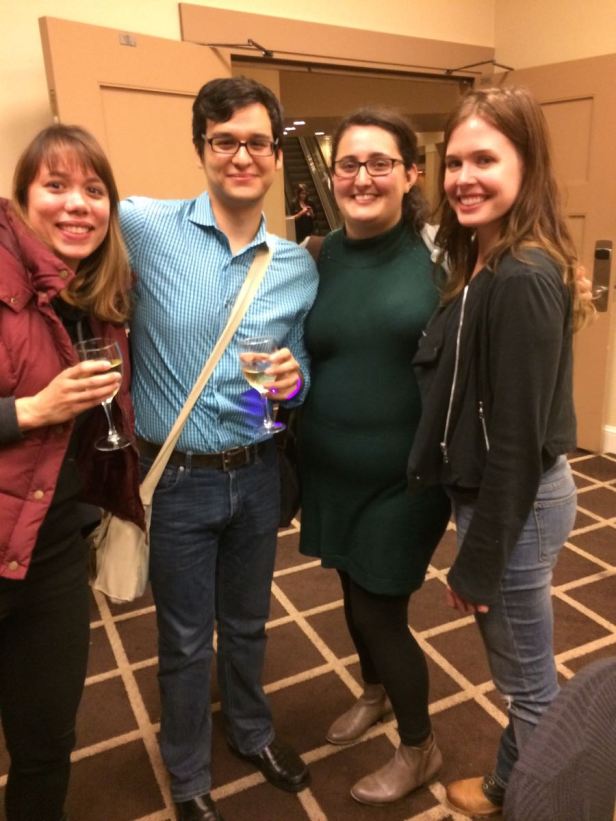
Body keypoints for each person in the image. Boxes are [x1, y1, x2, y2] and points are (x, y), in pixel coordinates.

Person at [119, 76, 318, 821]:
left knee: (246, 623)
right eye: (225, 141)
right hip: (178, 480)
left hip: (257, 472)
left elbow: (297, 383)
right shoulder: (145, 225)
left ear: (274, 153)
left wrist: (295, 383)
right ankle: (189, 775)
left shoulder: (296, 266)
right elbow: (54, 223)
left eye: (256, 142)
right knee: (180, 637)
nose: (242, 155)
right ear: (202, 147)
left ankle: (253, 731)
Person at [407, 86, 593, 817]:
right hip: (502, 497)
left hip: (512, 504)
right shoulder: (483, 257)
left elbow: (515, 442)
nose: (463, 177)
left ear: (527, 165)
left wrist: (480, 554)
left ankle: (554, 805)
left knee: (529, 687)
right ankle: (507, 787)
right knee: (525, 675)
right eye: (453, 161)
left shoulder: (521, 277)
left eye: (485, 158)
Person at [298, 108, 451, 806]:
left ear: (411, 172)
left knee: (380, 606)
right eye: (349, 164)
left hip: (406, 478)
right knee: (353, 597)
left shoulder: (442, 260)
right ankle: (376, 691)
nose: (362, 177)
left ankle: (419, 746)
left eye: (380, 162)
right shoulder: (320, 255)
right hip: (328, 469)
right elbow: (312, 361)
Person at [0, 125, 144, 821]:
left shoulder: (100, 292)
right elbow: (40, 411)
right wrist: (29, 410)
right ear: (23, 198)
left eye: (94, 190)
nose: (77, 205)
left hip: (55, 551)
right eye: (55, 186)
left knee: (47, 739)